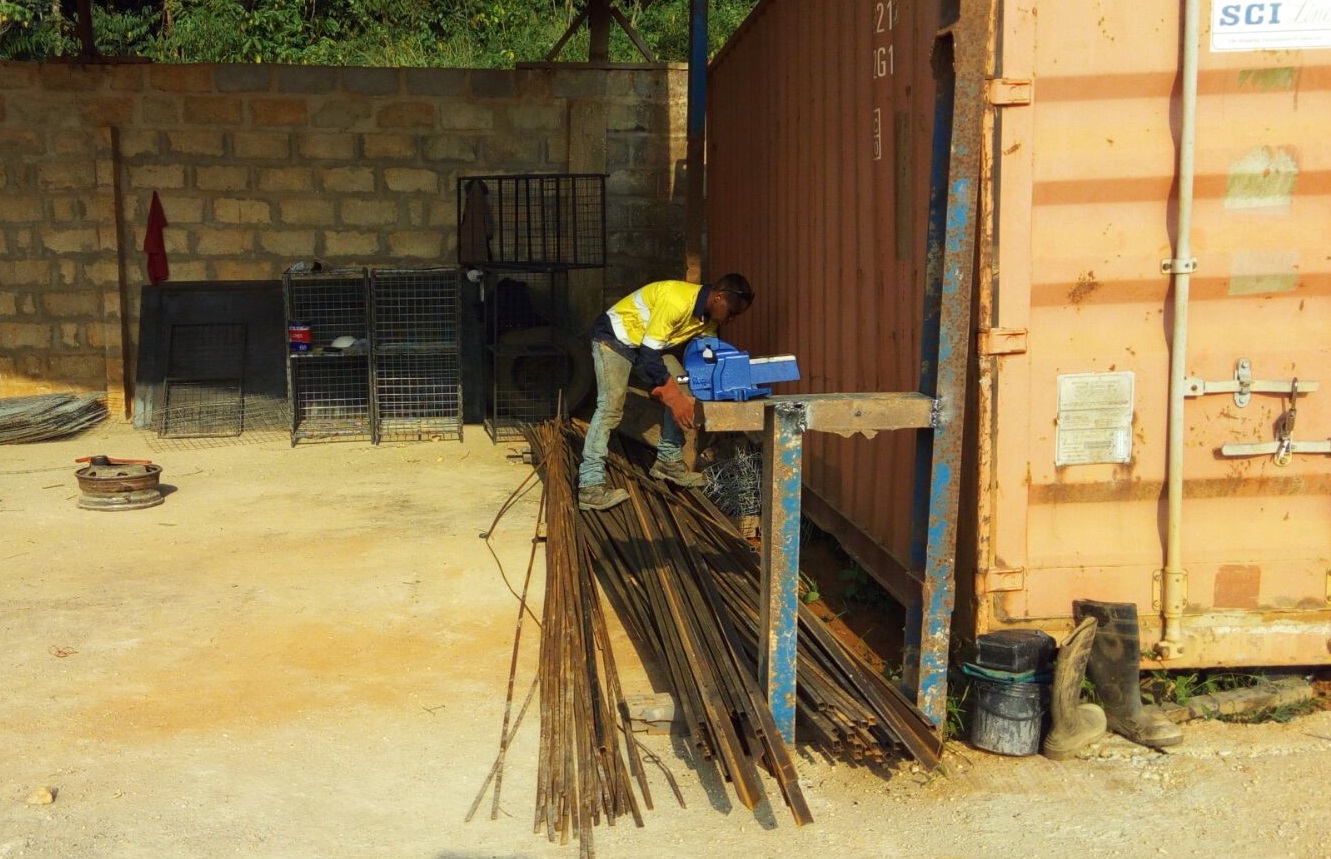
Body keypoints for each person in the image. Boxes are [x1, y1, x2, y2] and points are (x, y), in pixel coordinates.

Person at [578, 273, 754, 511]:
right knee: (610, 408)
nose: (731, 320)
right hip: (614, 340)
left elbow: (708, 357)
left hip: (643, 346)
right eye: (731, 313)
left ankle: (668, 462)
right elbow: (651, 357)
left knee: (684, 385)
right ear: (719, 297)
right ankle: (590, 486)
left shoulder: (708, 318)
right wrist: (673, 399)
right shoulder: (676, 301)